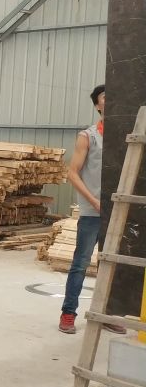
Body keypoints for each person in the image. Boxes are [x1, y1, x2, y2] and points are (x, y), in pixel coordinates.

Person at [58, 85, 124, 335]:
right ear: (97, 105)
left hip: (117, 213)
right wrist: (94, 202)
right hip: (92, 213)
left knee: (112, 266)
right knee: (80, 264)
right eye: (105, 96)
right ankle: (68, 313)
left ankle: (106, 314)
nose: (110, 99)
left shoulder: (125, 137)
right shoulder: (88, 136)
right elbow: (72, 174)